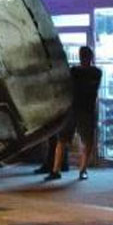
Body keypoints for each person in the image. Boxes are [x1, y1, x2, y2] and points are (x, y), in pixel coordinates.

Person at [46, 45, 103, 181]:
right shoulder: (96, 72)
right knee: (85, 141)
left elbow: (63, 83)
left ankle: (57, 170)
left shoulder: (75, 72)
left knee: (63, 140)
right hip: (84, 110)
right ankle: (82, 170)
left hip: (74, 109)